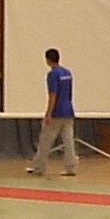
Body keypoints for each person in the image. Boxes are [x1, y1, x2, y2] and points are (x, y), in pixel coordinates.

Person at [26, 47, 79, 177]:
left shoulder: (52, 74)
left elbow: (53, 94)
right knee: (68, 141)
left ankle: (38, 167)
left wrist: (49, 113)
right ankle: (71, 167)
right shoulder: (67, 73)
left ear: (48, 60)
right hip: (68, 110)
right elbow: (69, 92)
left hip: (57, 112)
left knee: (45, 140)